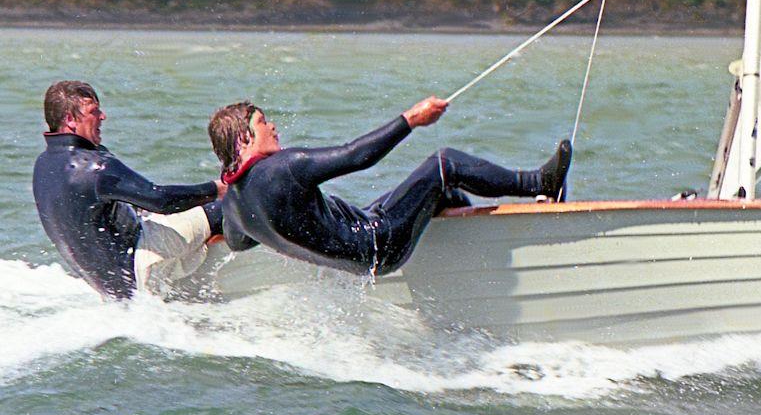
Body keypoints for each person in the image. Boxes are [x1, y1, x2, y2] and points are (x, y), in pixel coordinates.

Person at [208, 96, 571, 276]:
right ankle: (540, 184)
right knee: (445, 164)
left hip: (362, 257)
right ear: (244, 138)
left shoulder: (235, 208)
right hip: (379, 242)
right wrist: (410, 119)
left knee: (435, 192)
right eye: (263, 122)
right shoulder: (281, 169)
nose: (273, 127)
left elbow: (238, 243)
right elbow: (355, 156)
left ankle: (461, 225)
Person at [32, 81, 226, 299]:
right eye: (93, 111)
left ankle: (200, 257)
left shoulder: (43, 165)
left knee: (181, 215)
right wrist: (216, 188)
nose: (102, 116)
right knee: (223, 209)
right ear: (70, 120)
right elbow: (159, 199)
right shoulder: (95, 167)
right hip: (138, 267)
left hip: (111, 287)